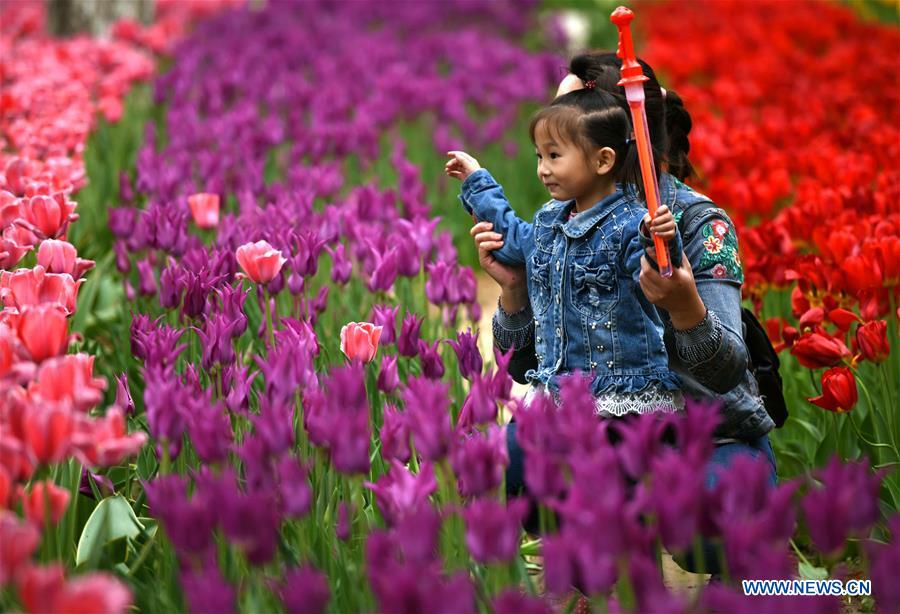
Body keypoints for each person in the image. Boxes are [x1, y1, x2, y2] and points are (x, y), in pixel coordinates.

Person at [471, 52, 776, 574]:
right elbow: (522, 366)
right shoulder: (561, 218)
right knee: (518, 458)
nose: (552, 148)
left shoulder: (694, 224)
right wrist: (516, 292)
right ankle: (606, 570)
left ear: (615, 139)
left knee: (708, 518)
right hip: (598, 425)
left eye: (575, 111)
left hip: (708, 434)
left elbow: (726, 373)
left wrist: (684, 308)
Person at [446, 86, 684, 416]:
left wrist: (662, 240)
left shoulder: (631, 224)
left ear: (603, 160)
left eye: (554, 156)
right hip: (558, 391)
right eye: (539, 157)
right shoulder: (548, 220)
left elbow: (656, 273)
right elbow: (511, 238)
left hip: (620, 395)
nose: (543, 168)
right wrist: (477, 181)